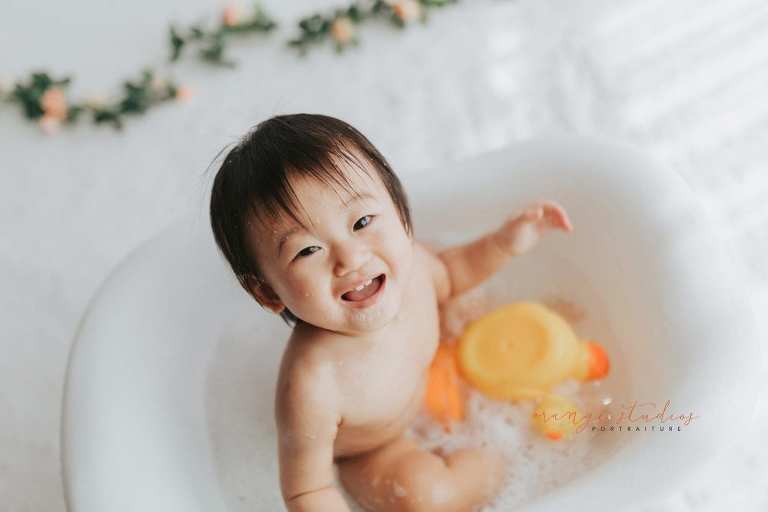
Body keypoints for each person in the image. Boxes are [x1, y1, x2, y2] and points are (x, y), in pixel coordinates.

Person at [209, 113, 573, 511]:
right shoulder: (313, 384)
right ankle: (502, 456)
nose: (351, 258)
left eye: (362, 221)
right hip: (377, 448)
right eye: (307, 250)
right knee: (425, 498)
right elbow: (307, 490)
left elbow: (455, 271)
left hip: (429, 379)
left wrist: (506, 242)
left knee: (471, 307)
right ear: (267, 292)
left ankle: (500, 418)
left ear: (401, 213)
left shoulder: (415, 270)